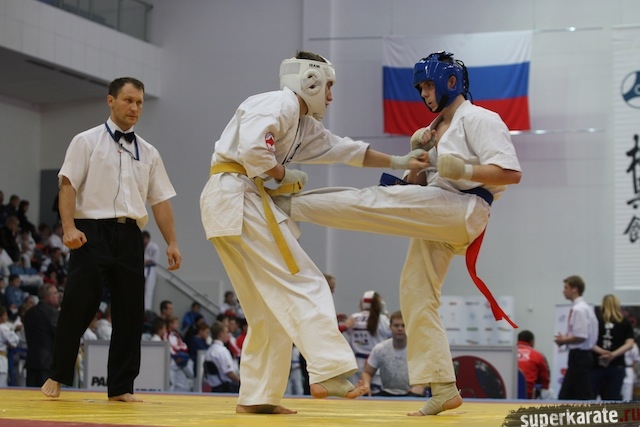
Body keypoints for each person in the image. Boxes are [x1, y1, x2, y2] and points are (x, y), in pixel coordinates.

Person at [274, 51, 522, 416]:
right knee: (416, 291)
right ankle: (443, 387)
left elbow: (511, 174)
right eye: (420, 88)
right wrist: (419, 157)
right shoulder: (434, 129)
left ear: (451, 81)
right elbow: (416, 186)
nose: (424, 93)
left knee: (375, 201)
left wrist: (464, 168)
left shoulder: (480, 118)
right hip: (438, 210)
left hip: (464, 208)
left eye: (428, 85)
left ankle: (286, 205)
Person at [199, 50, 429, 414]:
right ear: (310, 80)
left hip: (230, 202)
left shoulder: (303, 124)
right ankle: (328, 371)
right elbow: (255, 151)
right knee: (306, 282)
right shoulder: (279, 102)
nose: (331, 96)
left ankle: (258, 398)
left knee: (268, 311)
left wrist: (398, 160)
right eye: (329, 86)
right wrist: (282, 174)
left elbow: (345, 150)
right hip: (238, 197)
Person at [40, 77, 182, 402]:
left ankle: (121, 386)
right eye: (128, 100)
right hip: (91, 231)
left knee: (131, 312)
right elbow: (67, 185)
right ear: (111, 101)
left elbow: (160, 200)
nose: (134, 107)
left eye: (139, 102)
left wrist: (172, 242)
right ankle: (57, 374)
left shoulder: (149, 152)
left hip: (131, 234)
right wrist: (68, 227)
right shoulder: (86, 141)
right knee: (79, 304)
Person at [360, 310, 425, 398]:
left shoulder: (418, 350)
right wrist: (366, 385)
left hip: (412, 394)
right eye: (396, 325)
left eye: (403, 325)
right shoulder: (380, 349)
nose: (400, 329)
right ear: (390, 327)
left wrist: (422, 386)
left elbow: (433, 374)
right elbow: (367, 373)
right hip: (386, 394)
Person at [554, 275, 599, 400]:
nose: (563, 291)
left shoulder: (579, 309)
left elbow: (581, 336)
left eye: (566, 287)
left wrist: (564, 340)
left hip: (580, 356)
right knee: (568, 395)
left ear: (575, 289)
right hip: (581, 356)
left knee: (582, 395)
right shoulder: (585, 308)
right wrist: (566, 338)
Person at [343, 291, 391, 392]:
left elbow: (347, 331)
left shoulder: (354, 317)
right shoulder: (382, 320)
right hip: (376, 365)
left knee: (358, 392)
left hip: (357, 363)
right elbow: (391, 335)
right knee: (378, 394)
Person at [590, 294, 635, 400]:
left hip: (597, 364)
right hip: (617, 365)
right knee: (612, 399)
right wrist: (613, 354)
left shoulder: (596, 320)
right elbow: (630, 343)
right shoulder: (624, 322)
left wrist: (602, 352)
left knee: (591, 398)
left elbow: (589, 342)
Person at [23, 284, 60, 388]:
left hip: (31, 361)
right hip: (47, 363)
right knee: (46, 396)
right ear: (47, 296)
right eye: (55, 293)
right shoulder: (52, 313)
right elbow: (59, 336)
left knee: (31, 395)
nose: (58, 296)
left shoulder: (29, 313)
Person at [204, 321, 240, 393]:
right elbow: (229, 373)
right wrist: (242, 382)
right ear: (221, 334)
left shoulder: (209, 351)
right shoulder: (222, 351)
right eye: (226, 332)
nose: (228, 335)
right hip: (225, 388)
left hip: (214, 388)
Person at [517, 330, 551, 399]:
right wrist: (545, 386)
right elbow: (545, 379)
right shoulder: (537, 355)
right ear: (532, 342)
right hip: (528, 393)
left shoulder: (508, 354)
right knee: (550, 393)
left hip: (507, 393)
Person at [0, 306, 20, 387]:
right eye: (5, 315)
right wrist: (12, 345)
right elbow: (15, 340)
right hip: (1, 360)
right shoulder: (3, 327)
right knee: (2, 385)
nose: (7, 317)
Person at [142, 230, 160, 312]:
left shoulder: (154, 247)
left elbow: (155, 261)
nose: (144, 241)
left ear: (148, 238)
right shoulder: (140, 247)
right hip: (143, 270)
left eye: (145, 238)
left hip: (150, 270)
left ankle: (147, 309)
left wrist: (146, 261)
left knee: (148, 290)